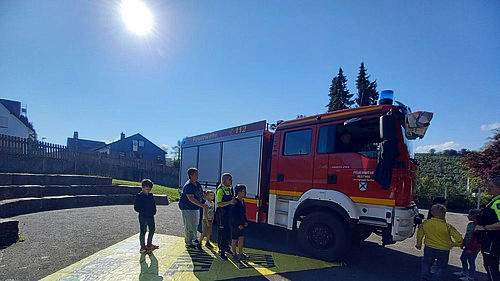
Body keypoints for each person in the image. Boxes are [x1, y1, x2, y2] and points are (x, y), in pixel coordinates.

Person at [416, 203, 463, 281]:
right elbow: (459, 238)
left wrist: (419, 244)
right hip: (444, 249)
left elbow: (420, 234)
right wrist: (454, 244)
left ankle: (425, 278)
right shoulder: (447, 226)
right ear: (444, 214)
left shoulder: (426, 223)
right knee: (441, 266)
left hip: (429, 246)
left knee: (426, 263)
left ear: (432, 213)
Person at [475, 177, 500, 281]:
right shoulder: (494, 200)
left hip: (494, 240)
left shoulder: (497, 203)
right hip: (490, 240)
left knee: (491, 266)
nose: (488, 188)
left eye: (492, 186)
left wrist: (484, 227)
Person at [178, 167, 209, 250]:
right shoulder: (188, 186)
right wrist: (202, 205)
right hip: (187, 208)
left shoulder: (197, 184)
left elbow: (201, 193)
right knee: (189, 225)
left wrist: (206, 198)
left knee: (195, 224)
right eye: (195, 174)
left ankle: (194, 239)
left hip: (195, 208)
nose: (197, 175)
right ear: (191, 175)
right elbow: (191, 198)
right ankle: (188, 242)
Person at [453, 209, 481, 281]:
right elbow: (467, 235)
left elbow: (476, 240)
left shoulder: (478, 227)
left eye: (469, 215)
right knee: (463, 258)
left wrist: (471, 249)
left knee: (471, 261)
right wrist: (463, 243)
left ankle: (471, 276)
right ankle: (465, 272)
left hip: (474, 247)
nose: (468, 216)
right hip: (468, 245)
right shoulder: (470, 225)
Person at [134, 179, 158, 253]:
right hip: (143, 216)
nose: (149, 189)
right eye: (147, 187)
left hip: (151, 216)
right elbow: (136, 207)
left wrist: (154, 212)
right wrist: (144, 212)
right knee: (143, 231)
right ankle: (142, 247)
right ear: (143, 187)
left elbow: (153, 205)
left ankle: (149, 244)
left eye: (150, 187)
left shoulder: (150, 195)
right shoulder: (139, 196)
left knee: (152, 229)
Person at [216, 173, 236, 260]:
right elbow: (219, 203)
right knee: (223, 233)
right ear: (224, 180)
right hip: (222, 214)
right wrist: (229, 202)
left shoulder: (230, 189)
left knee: (228, 232)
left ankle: (227, 247)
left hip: (229, 214)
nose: (231, 181)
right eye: (230, 180)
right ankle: (221, 251)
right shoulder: (220, 190)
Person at [230, 184, 249, 261]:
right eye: (244, 191)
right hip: (235, 224)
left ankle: (240, 253)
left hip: (241, 223)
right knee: (235, 239)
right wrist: (238, 224)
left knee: (241, 238)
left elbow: (243, 213)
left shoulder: (242, 201)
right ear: (239, 192)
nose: (245, 193)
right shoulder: (234, 202)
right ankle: (234, 254)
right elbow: (233, 215)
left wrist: (245, 221)